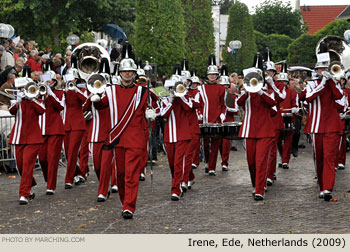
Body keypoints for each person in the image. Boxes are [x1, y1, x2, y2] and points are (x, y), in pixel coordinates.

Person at [94, 43, 152, 219]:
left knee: (131, 175)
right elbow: (100, 106)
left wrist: (152, 113)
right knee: (120, 175)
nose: (127, 74)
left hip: (135, 139)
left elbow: (153, 107)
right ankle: (124, 201)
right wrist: (95, 98)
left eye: (130, 71)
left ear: (134, 73)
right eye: (124, 71)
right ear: (119, 73)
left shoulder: (143, 91)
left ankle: (129, 206)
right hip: (118, 139)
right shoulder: (110, 91)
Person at [305, 53, 343, 201]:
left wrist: (332, 81)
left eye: (325, 69)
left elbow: (339, 96)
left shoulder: (334, 83)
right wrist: (322, 83)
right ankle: (322, 185)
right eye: (320, 69)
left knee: (329, 158)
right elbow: (309, 97)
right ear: (316, 71)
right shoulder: (311, 84)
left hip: (332, 126)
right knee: (319, 158)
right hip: (315, 126)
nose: (323, 72)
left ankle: (327, 188)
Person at [238, 56, 276, 200]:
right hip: (249, 130)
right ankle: (256, 184)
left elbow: (272, 103)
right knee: (251, 162)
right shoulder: (246, 91)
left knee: (261, 161)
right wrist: (247, 91)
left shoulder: (267, 91)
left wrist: (260, 91)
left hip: (265, 131)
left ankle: (260, 190)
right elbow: (238, 102)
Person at [8, 82, 45, 204]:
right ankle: (31, 184)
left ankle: (24, 194)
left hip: (33, 138)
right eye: (21, 89)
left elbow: (42, 110)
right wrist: (18, 101)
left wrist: (31, 99)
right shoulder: (16, 101)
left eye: (25, 88)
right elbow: (11, 111)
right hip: (18, 137)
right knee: (20, 167)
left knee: (28, 165)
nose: (23, 90)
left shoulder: (36, 101)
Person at [161, 77, 192, 200]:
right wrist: (172, 100)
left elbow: (188, 108)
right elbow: (164, 114)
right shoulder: (165, 100)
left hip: (183, 134)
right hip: (169, 135)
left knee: (179, 162)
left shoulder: (186, 97)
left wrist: (181, 97)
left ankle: (175, 189)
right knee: (172, 164)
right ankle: (177, 183)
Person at [198, 55, 226, 176]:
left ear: (217, 76)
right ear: (207, 75)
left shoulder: (221, 88)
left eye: (214, 74)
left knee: (215, 143)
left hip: (217, 119)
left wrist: (223, 115)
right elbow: (198, 104)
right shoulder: (201, 88)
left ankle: (212, 167)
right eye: (210, 74)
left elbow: (223, 105)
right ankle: (207, 161)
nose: (212, 76)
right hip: (204, 118)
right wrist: (199, 114)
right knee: (205, 143)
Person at [37, 74, 65, 195]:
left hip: (55, 130)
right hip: (41, 131)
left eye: (48, 82)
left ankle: (51, 186)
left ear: (53, 82)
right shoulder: (37, 94)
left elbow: (60, 106)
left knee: (52, 158)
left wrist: (50, 94)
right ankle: (49, 179)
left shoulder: (60, 93)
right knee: (42, 159)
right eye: (44, 82)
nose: (46, 84)